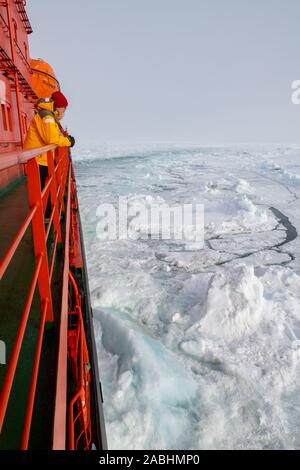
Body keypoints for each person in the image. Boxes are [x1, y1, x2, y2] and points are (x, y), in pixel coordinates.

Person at [24, 91, 75, 219]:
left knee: (45, 189)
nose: (64, 111)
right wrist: (68, 141)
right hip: (37, 160)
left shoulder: (48, 115)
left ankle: (47, 215)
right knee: (42, 191)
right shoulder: (47, 116)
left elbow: (55, 135)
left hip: (41, 159)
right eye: (64, 108)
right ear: (58, 106)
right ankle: (44, 218)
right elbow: (52, 139)